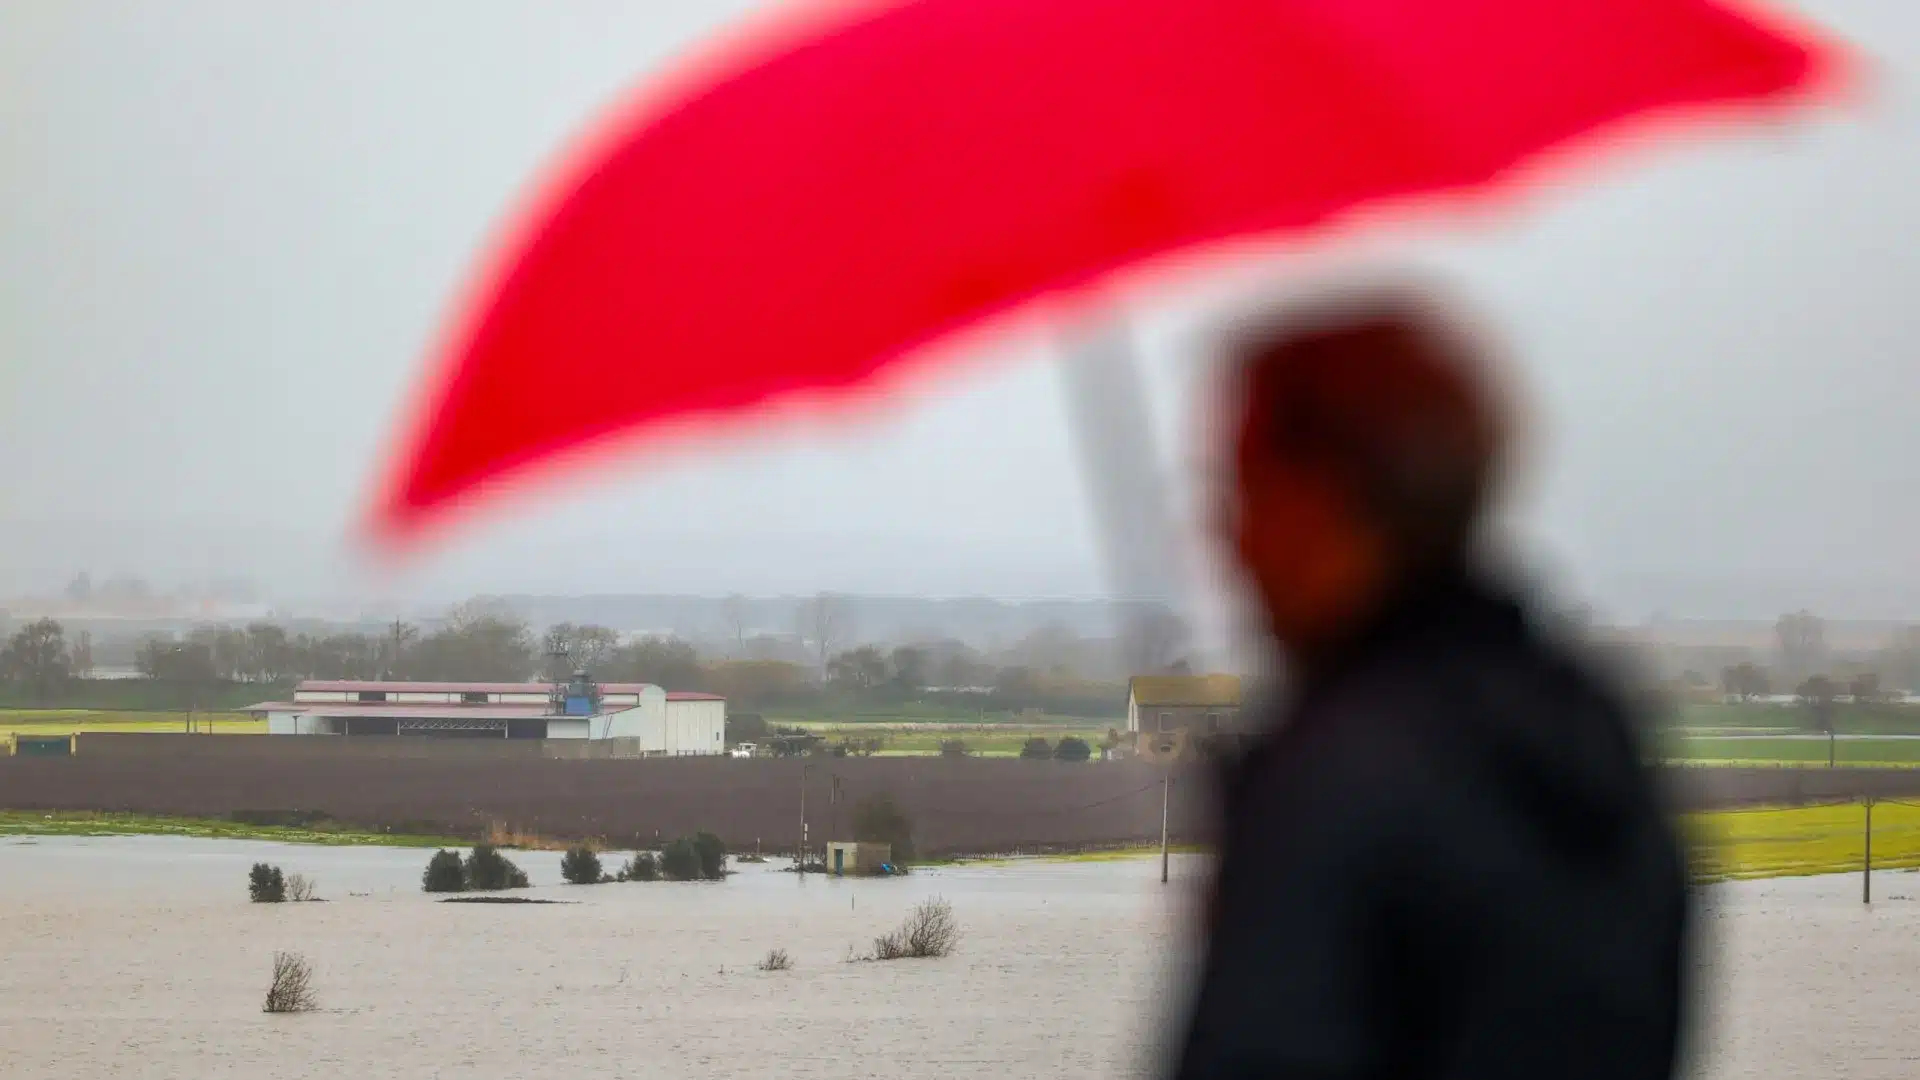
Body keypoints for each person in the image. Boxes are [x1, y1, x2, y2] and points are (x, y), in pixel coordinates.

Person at [1171, 289, 1690, 1080]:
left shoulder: (1342, 770)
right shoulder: (1588, 730)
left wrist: (1266, 905)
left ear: (1324, 500)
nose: (1225, 538)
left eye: (1242, 491)